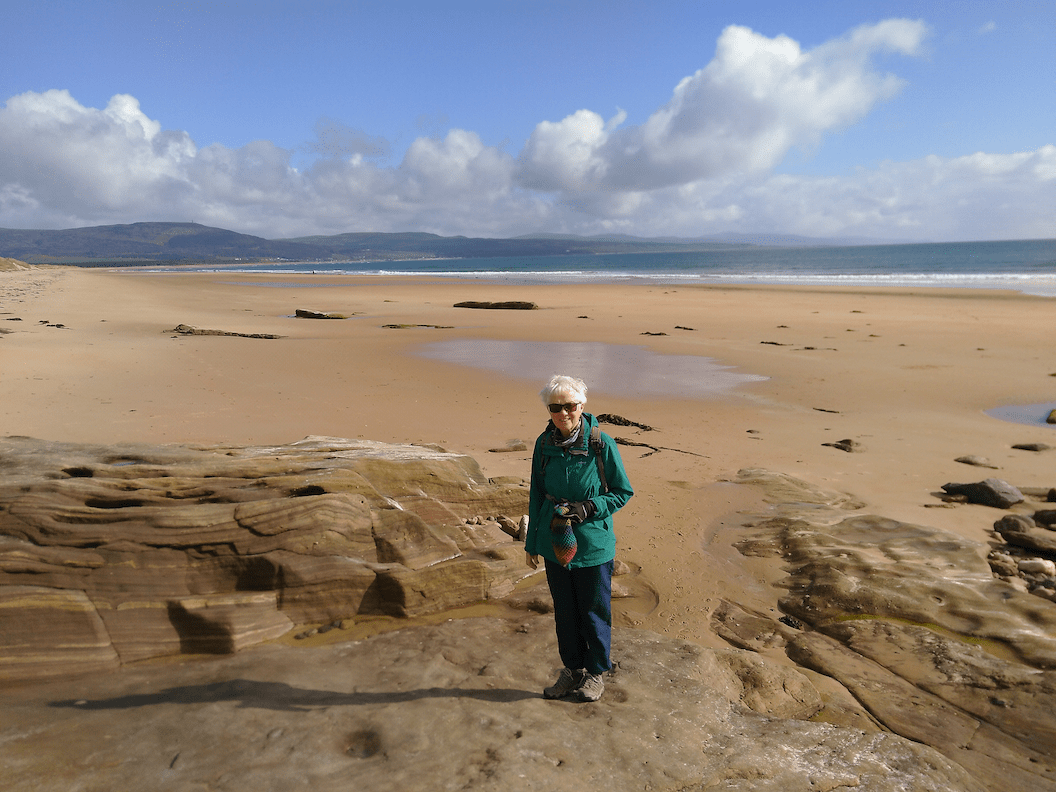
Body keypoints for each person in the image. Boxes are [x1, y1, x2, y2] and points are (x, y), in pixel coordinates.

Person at [525, 374, 634, 702]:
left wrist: (589, 507)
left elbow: (622, 492)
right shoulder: (543, 445)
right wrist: (531, 543)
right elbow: (535, 494)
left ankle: (596, 673)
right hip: (554, 544)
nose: (563, 413)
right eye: (555, 407)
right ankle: (572, 670)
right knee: (565, 611)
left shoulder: (601, 443)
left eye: (569, 406)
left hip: (594, 545)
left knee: (595, 609)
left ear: (581, 405)